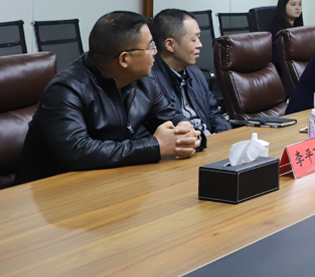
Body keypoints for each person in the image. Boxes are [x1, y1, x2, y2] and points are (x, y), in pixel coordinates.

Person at [16, 11, 200, 184]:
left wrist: (186, 132)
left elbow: (170, 116)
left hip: (110, 179)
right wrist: (155, 146)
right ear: (124, 59)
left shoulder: (144, 79)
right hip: (54, 190)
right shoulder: (66, 90)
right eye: (150, 46)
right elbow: (77, 152)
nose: (156, 52)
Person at [149, 8, 231, 148]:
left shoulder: (195, 73)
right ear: (170, 45)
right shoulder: (150, 81)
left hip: (210, 144)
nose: (200, 44)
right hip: (185, 148)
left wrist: (225, 137)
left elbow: (213, 113)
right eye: (194, 39)